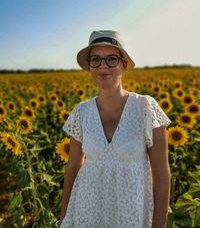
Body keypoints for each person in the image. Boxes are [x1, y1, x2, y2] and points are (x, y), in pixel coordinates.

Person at [59, 30, 172, 228]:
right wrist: (64, 218)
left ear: (124, 64)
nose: (103, 66)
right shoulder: (81, 112)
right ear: (89, 67)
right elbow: (73, 168)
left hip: (131, 216)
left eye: (111, 59)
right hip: (87, 213)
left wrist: (159, 225)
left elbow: (161, 173)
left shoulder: (146, 108)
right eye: (96, 60)